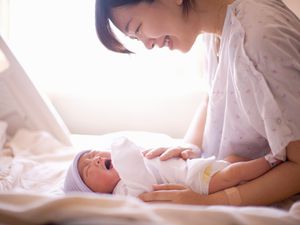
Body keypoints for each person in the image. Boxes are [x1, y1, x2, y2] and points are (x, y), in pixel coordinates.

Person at [95, 0, 300, 205]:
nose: (148, 45)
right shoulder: (214, 30)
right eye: (136, 38)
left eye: (138, 28)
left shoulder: (259, 41)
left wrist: (216, 201)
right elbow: (213, 97)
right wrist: (188, 148)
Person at [64, 137, 280, 197]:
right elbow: (141, 177)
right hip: (194, 182)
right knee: (232, 173)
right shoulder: (125, 191)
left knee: (233, 159)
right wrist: (122, 151)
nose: (94, 160)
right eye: (87, 169)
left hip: (193, 167)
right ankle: (272, 160)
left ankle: (267, 166)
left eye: (92, 154)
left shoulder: (123, 172)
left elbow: (146, 158)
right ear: (94, 194)